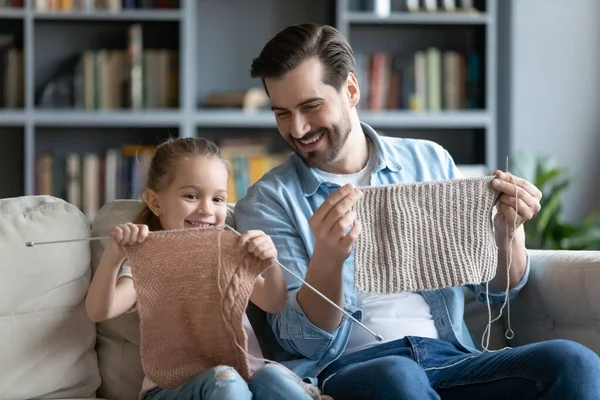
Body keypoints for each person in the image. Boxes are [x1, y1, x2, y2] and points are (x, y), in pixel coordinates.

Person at [234, 23, 600, 399]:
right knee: (400, 376)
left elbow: (497, 291)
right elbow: (304, 344)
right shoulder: (268, 202)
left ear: (351, 90)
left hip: (452, 358)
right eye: (282, 113)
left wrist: (506, 234)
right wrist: (327, 260)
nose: (297, 128)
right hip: (350, 369)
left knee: (574, 362)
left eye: (311, 106)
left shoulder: (428, 160)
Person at [85, 137, 323, 400]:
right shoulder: (149, 260)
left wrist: (272, 262)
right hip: (172, 389)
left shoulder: (228, 252)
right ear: (155, 202)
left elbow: (274, 302)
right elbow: (100, 310)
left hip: (247, 378)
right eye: (191, 196)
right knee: (226, 380)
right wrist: (113, 258)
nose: (207, 209)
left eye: (218, 199)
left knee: (274, 377)